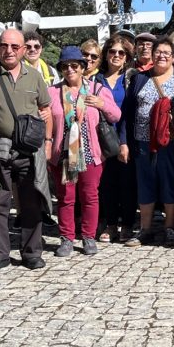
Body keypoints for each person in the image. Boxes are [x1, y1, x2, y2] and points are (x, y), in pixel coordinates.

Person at [0, 29, 55, 275]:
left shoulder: (34, 76)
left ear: (23, 50)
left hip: (29, 151)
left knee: (31, 202)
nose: (9, 51)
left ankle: (32, 253)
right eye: (4, 45)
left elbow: (46, 110)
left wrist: (48, 143)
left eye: (15, 47)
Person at [120, 37, 174, 247]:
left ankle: (169, 228)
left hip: (170, 143)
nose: (162, 56)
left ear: (173, 57)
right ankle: (145, 229)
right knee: (145, 183)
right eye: (158, 52)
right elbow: (127, 112)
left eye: (166, 53)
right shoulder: (140, 79)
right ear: (152, 55)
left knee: (169, 182)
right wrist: (124, 141)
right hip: (142, 142)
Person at [46, 46, 120, 257]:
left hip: (90, 153)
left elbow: (116, 115)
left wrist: (102, 104)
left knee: (89, 196)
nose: (70, 69)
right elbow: (46, 121)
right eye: (65, 66)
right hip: (63, 154)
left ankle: (88, 236)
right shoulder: (52, 92)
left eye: (74, 65)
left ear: (82, 67)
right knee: (66, 198)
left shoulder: (97, 90)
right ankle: (66, 238)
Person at [94, 36, 139, 243]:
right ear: (106, 54)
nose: (117, 55)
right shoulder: (96, 80)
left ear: (127, 57)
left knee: (127, 184)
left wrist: (124, 141)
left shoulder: (131, 79)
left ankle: (127, 225)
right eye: (112, 51)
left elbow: (130, 113)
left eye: (122, 53)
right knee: (107, 184)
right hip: (101, 140)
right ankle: (111, 224)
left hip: (125, 138)